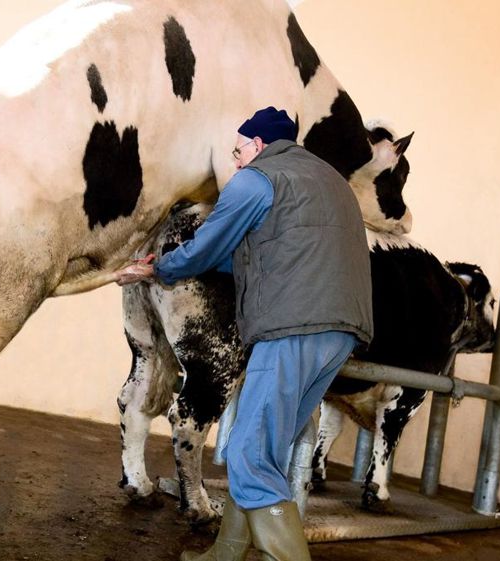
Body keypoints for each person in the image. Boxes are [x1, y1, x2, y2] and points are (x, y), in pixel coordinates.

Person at [115, 107, 373, 561]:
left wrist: (159, 268)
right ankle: (225, 554)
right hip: (340, 333)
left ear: (257, 144)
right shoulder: (331, 183)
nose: (235, 162)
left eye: (238, 151)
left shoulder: (258, 181)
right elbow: (259, 257)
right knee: (264, 451)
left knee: (251, 454)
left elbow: (207, 247)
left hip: (292, 327)